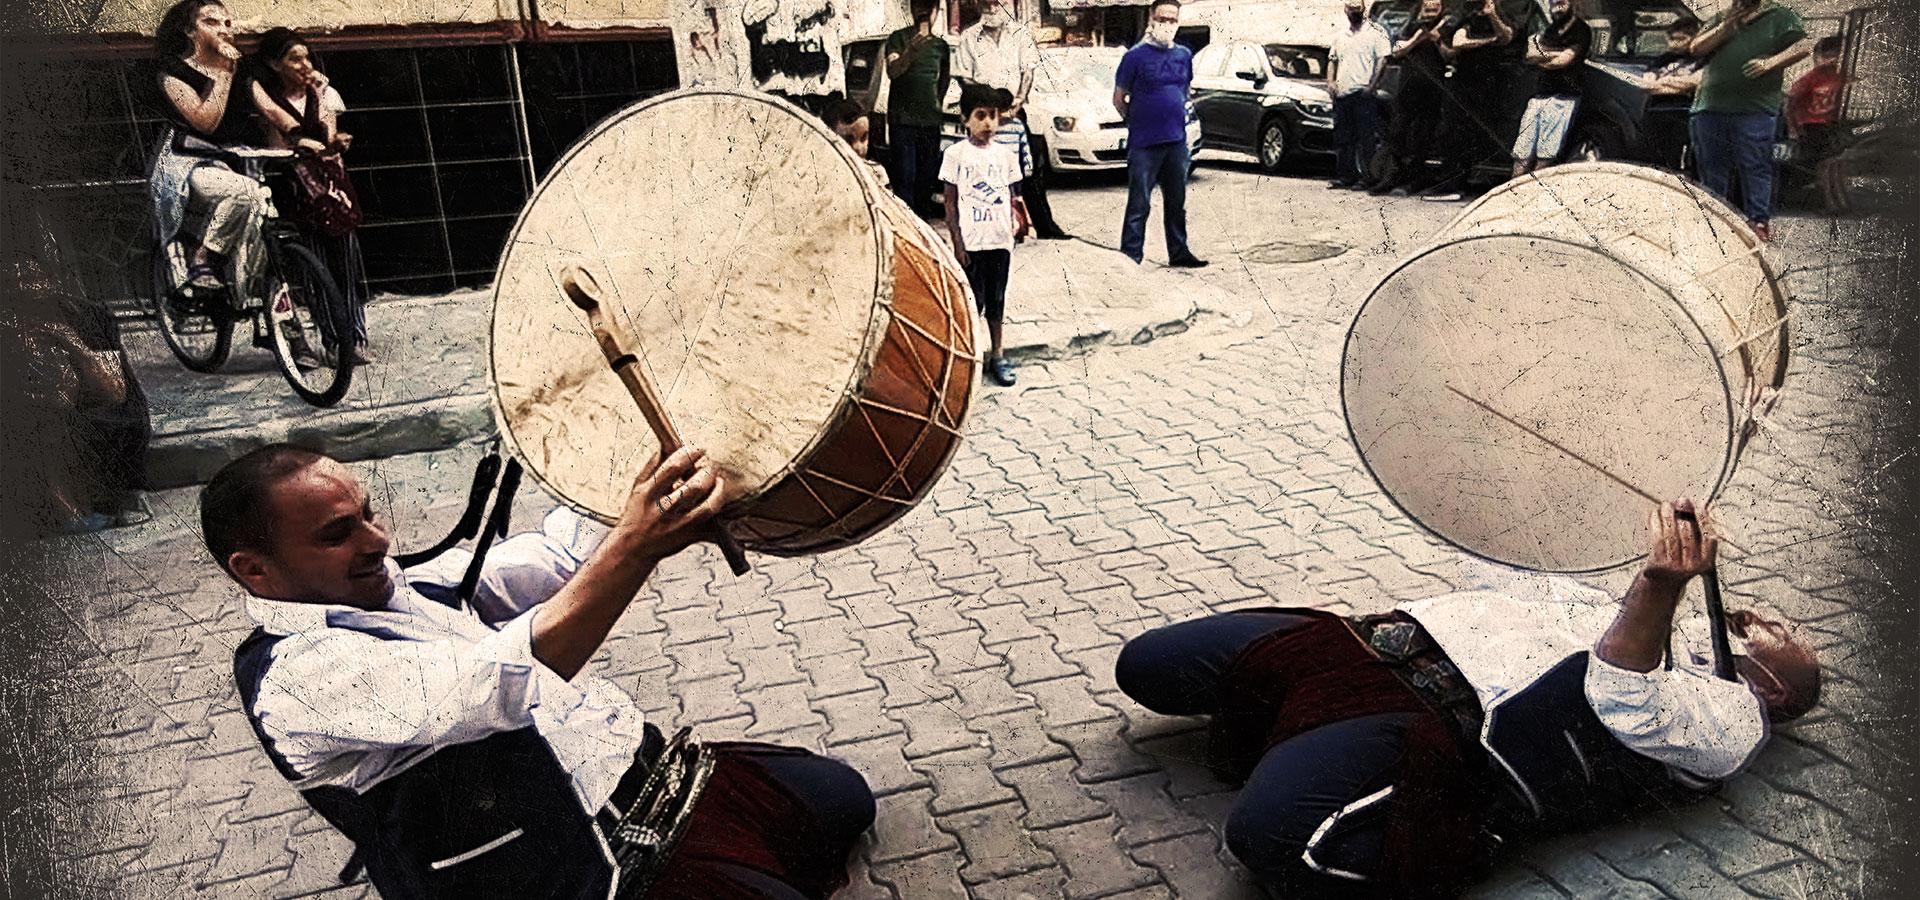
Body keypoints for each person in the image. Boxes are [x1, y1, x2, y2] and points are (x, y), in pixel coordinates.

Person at [207, 445, 876, 898]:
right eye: (337, 533)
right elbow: (505, 678)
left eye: (369, 515)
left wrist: (636, 466)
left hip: (652, 791)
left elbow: (559, 558)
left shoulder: (389, 585)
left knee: (841, 799)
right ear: (255, 570)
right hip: (585, 872)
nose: (378, 542)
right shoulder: (298, 680)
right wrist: (639, 546)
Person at [1114, 498, 1821, 898]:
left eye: (1784, 634)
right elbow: (1496, 566)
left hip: (1417, 718)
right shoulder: (1613, 610)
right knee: (1143, 665)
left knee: (1267, 837)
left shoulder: (1729, 718)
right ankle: (1288, 735)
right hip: (1367, 641)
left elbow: (1625, 699)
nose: (1766, 617)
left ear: (1776, 687)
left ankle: (1358, 792)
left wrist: (1661, 585)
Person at [247, 27, 373, 366]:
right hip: (294, 188)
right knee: (315, 268)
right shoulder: (268, 96)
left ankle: (354, 338)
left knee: (346, 265)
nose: (305, 65)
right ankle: (333, 341)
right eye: (294, 58)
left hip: (330, 188)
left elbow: (327, 134)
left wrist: (335, 138)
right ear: (275, 64)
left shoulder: (321, 94)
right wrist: (306, 142)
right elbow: (283, 136)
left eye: (307, 57)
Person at [149, 0, 268, 296]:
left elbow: (270, 107)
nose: (224, 30)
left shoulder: (241, 69)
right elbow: (205, 122)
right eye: (212, 22)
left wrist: (298, 133)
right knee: (246, 193)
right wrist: (224, 73)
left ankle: (250, 298)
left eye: (228, 24)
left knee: (265, 214)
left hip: (227, 163)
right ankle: (202, 258)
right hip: (185, 164)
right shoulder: (173, 72)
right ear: (190, 30)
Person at [1686, 0, 1810, 242]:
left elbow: (1805, 46)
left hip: (1755, 110)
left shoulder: (1779, 16)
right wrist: (1727, 25)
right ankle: (1715, 222)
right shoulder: (1722, 17)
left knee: (1755, 165)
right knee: (1712, 168)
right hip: (1710, 107)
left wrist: (1769, 63)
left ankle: (1758, 222)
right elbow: (1696, 48)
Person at [955, 0, 1070, 240]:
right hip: (983, 115)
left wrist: (1016, 104)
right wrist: (991, 110)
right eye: (986, 3)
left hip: (1015, 111)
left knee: (1029, 170)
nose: (992, 6)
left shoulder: (1020, 34)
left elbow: (1028, 72)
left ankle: (1045, 227)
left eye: (998, 2)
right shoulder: (968, 37)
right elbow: (965, 80)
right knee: (983, 172)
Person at [943, 84, 1027, 388]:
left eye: (993, 116)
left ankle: (998, 355)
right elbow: (950, 204)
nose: (988, 123)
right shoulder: (956, 155)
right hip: (972, 243)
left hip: (999, 241)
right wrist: (958, 242)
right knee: (972, 302)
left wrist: (1018, 224)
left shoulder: (1005, 156)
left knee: (997, 299)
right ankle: (971, 357)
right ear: (966, 118)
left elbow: (1013, 194)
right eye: (980, 115)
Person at [1113, 0, 1206, 268]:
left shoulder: (1184, 55)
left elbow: (1184, 90)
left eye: (1172, 20)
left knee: (1177, 201)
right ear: (1151, 20)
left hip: (1176, 141)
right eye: (1162, 19)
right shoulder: (1134, 58)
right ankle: (1130, 257)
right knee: (1139, 203)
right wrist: (1136, 121)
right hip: (1144, 143)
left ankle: (1179, 252)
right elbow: (1119, 98)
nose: (1167, 24)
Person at [1428, 0, 1514, 199]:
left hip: (1487, 82)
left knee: (1472, 134)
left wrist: (1492, 16)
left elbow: (1507, 36)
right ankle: (1450, 184)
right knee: (1452, 131)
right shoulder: (1467, 14)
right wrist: (1488, 41)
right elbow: (1457, 44)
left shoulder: (1501, 14)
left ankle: (1461, 183)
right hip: (1463, 80)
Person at [1372, 0, 1450, 196]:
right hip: (1407, 89)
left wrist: (1437, 40)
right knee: (1397, 134)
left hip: (1431, 91)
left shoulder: (1445, 29)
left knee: (1421, 137)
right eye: (1427, 8)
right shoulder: (1412, 26)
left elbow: (1450, 55)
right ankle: (1389, 179)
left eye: (1434, 9)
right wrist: (1417, 38)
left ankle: (1412, 182)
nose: (1430, 12)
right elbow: (1397, 50)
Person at [1510, 0, 1593, 179]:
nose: (1556, 3)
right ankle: (1514, 199)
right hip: (1538, 97)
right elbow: (1530, 54)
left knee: (1545, 156)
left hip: (1562, 100)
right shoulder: (1550, 30)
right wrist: (1553, 54)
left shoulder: (1581, 30)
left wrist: (1544, 56)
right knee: (1521, 154)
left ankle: (1534, 199)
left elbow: (1563, 61)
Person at [884, 0, 950, 218]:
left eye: (928, 7)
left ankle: (922, 226)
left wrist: (934, 104)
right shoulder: (897, 38)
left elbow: (943, 82)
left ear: (936, 11)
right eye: (919, 5)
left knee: (927, 179)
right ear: (911, 9)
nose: (923, 11)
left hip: (930, 121)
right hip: (902, 121)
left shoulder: (941, 46)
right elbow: (893, 71)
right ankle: (908, 226)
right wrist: (910, 52)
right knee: (904, 177)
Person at [1325, 0, 1392, 190]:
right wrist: (1330, 83)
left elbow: (1383, 60)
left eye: (1357, 9)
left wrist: (1372, 85)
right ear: (1345, 10)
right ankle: (1345, 177)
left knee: (1366, 139)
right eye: (1350, 9)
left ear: (1364, 9)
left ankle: (1368, 178)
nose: (1353, 12)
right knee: (1343, 138)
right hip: (1342, 95)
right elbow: (1332, 60)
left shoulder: (1376, 33)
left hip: (1363, 94)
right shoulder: (1340, 36)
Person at [1786, 35, 1849, 213]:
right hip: (1812, 126)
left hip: (1828, 125)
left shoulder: (1838, 77)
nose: (1832, 59)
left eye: (1835, 55)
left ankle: (1840, 202)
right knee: (1825, 165)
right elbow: (1790, 103)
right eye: (1827, 55)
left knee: (1835, 164)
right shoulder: (1809, 79)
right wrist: (1794, 128)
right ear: (1817, 56)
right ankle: (1829, 203)